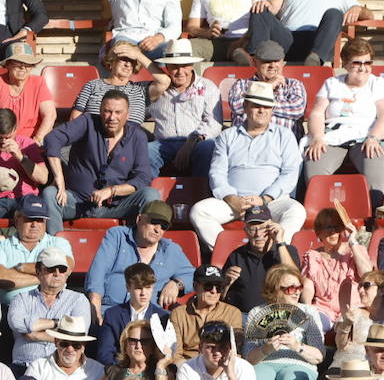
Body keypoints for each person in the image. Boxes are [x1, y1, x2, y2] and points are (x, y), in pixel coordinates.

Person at [190, 80, 306, 247]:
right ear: (245, 107)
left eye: (266, 107)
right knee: (199, 211)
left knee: (296, 211)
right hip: (235, 203)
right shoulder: (227, 136)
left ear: (272, 110)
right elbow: (217, 173)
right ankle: (232, 254)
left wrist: (264, 199)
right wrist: (232, 199)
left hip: (272, 202)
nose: (261, 110)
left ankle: (272, 252)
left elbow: (290, 173)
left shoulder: (285, 135)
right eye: (256, 105)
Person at [40, 90, 160, 235]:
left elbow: (142, 178)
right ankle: (57, 249)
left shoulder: (138, 136)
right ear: (100, 111)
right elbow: (52, 139)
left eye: (118, 112)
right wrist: (59, 179)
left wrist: (111, 191)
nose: (112, 117)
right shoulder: (88, 122)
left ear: (127, 115)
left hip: (116, 205)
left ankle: (138, 247)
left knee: (150, 194)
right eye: (107, 111)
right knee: (50, 194)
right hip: (77, 202)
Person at [302, 37, 384, 206]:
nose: (363, 68)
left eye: (368, 63)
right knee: (314, 156)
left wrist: (374, 138)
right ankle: (320, 214)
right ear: (345, 64)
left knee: (374, 154)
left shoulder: (378, 83)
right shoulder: (331, 83)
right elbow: (316, 113)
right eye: (357, 63)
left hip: (367, 134)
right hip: (334, 135)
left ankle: (374, 214)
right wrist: (317, 138)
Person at [84, 201, 193, 314]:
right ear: (139, 219)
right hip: (110, 311)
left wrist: (176, 284)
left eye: (163, 226)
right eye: (154, 222)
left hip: (150, 318)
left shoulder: (170, 250)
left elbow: (193, 276)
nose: (157, 229)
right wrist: (95, 303)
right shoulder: (117, 236)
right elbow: (98, 270)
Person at [143, 40, 221, 176]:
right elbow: (134, 114)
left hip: (197, 142)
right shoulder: (157, 89)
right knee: (147, 151)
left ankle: (201, 192)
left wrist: (191, 142)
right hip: (163, 144)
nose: (180, 71)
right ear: (166, 66)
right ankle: (149, 195)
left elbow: (213, 123)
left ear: (192, 65)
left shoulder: (208, 87)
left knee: (208, 147)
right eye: (174, 66)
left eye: (184, 65)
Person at [223, 207, 302, 313]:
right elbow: (220, 295)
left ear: (272, 227)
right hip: (244, 318)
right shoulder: (236, 256)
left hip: (280, 314)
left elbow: (294, 278)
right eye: (252, 229)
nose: (258, 234)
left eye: (263, 228)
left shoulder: (287, 250)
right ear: (246, 231)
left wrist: (280, 242)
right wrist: (227, 282)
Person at [227, 41, 308, 133]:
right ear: (254, 62)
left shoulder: (293, 84)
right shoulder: (241, 84)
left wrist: (255, 105)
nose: (272, 66)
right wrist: (268, 87)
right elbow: (237, 106)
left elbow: (297, 109)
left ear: (283, 62)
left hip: (283, 144)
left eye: (276, 61)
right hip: (246, 142)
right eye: (267, 61)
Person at [0, 43, 54, 147]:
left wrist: (36, 142)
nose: (23, 66)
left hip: (30, 143)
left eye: (28, 63)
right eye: (17, 62)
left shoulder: (38, 83)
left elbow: (50, 115)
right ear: (7, 64)